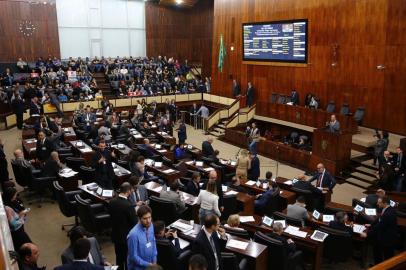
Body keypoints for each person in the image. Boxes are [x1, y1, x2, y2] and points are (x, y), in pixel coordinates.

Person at [108, 182, 138, 270]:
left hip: (115, 235)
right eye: (131, 190)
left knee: (119, 258)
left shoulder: (112, 201)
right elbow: (134, 223)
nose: (132, 191)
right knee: (127, 259)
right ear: (128, 191)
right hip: (126, 237)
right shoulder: (128, 205)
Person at [360, 196, 398, 265]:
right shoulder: (386, 209)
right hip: (384, 234)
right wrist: (371, 225)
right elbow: (379, 219)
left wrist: (367, 234)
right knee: (377, 250)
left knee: (388, 257)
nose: (377, 204)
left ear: (385, 203)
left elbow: (379, 226)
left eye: (379, 203)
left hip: (387, 238)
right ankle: (377, 265)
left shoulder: (388, 214)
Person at [127, 205, 157, 270]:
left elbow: (153, 243)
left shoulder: (151, 225)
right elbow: (133, 256)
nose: (148, 221)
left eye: (149, 217)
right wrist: (148, 265)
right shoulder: (133, 234)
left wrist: (154, 259)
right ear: (139, 219)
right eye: (145, 218)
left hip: (151, 264)